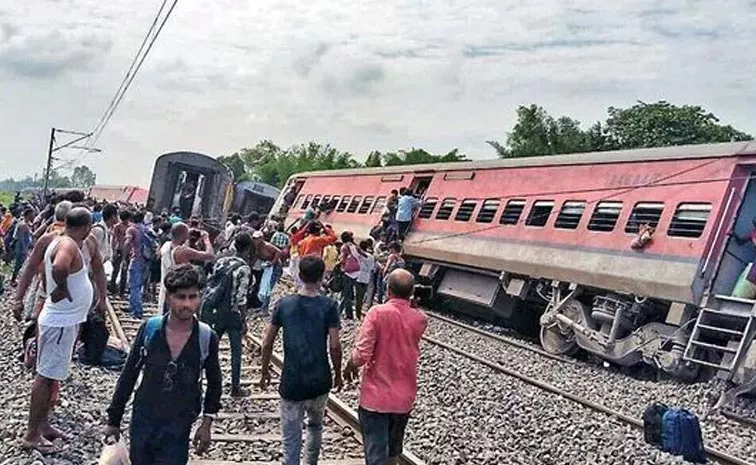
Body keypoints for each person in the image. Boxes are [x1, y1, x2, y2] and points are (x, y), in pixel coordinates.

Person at [104, 265, 222, 464]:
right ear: (169, 297)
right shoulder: (150, 330)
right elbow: (128, 376)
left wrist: (207, 422)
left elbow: (214, 383)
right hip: (144, 420)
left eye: (192, 297)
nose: (187, 304)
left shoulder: (206, 337)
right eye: (181, 297)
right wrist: (113, 420)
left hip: (179, 424)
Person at [13, 208, 104, 453]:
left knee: (51, 375)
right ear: (86, 227)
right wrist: (62, 288)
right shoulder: (69, 245)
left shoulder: (61, 240)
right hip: (60, 322)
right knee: (44, 377)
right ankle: (32, 434)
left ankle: (43, 425)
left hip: (62, 321)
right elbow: (60, 267)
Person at [259, 256, 343, 465]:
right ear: (322, 276)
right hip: (319, 380)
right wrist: (338, 374)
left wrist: (265, 371)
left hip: (292, 381)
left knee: (290, 436)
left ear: (299, 275)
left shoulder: (284, 304)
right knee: (315, 426)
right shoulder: (329, 305)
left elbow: (267, 343)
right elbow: (334, 345)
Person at [343, 269, 427, 465]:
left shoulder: (377, 313)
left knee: (375, 455)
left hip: (376, 398)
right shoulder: (420, 319)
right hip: (403, 399)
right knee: (393, 451)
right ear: (412, 292)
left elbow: (362, 353)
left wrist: (350, 365)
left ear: (388, 290)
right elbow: (413, 319)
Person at [204, 232, 252, 397]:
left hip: (217, 311)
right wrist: (244, 320)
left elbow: (212, 284)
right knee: (236, 351)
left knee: (210, 348)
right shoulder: (244, 268)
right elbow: (241, 298)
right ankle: (235, 387)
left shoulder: (222, 261)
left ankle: (201, 381)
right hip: (232, 314)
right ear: (247, 249)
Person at [158, 222, 216, 313]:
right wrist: (206, 238)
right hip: (182, 289)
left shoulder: (165, 246)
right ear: (183, 235)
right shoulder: (183, 251)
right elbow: (210, 255)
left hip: (168, 289)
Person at [124, 211, 150, 318]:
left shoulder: (132, 229)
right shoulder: (146, 229)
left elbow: (127, 242)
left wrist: (124, 256)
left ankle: (137, 311)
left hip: (136, 259)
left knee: (134, 286)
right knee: (139, 286)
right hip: (146, 260)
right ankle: (133, 307)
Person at [252, 230, 283, 316]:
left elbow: (279, 252)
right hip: (266, 268)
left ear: (261, 238)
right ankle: (262, 306)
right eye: (254, 238)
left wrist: (272, 262)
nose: (255, 240)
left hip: (274, 268)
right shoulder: (256, 247)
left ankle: (265, 309)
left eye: (257, 238)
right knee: (263, 286)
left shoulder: (267, 246)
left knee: (267, 288)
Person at [109, 209, 132, 296]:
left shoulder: (129, 227)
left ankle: (121, 290)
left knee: (123, 271)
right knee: (117, 269)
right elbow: (114, 239)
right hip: (120, 249)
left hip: (126, 250)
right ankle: (113, 287)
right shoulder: (118, 227)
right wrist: (113, 251)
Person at [339, 231, 361, 320]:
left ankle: (349, 315)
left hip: (348, 272)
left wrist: (340, 264)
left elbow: (342, 260)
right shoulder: (355, 246)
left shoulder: (344, 247)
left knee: (346, 294)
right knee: (354, 293)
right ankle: (356, 313)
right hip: (356, 272)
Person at [10, 208, 35, 286]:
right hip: (20, 248)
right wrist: (24, 249)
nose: (33, 215)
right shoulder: (23, 225)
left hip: (24, 247)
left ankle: (14, 278)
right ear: (28, 214)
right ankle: (12, 280)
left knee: (20, 264)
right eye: (32, 214)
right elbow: (21, 238)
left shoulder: (27, 223)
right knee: (18, 264)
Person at [355, 240, 375, 319]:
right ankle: (359, 312)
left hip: (358, 278)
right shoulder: (371, 257)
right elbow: (372, 268)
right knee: (362, 296)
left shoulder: (359, 256)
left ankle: (357, 314)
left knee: (358, 297)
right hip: (366, 278)